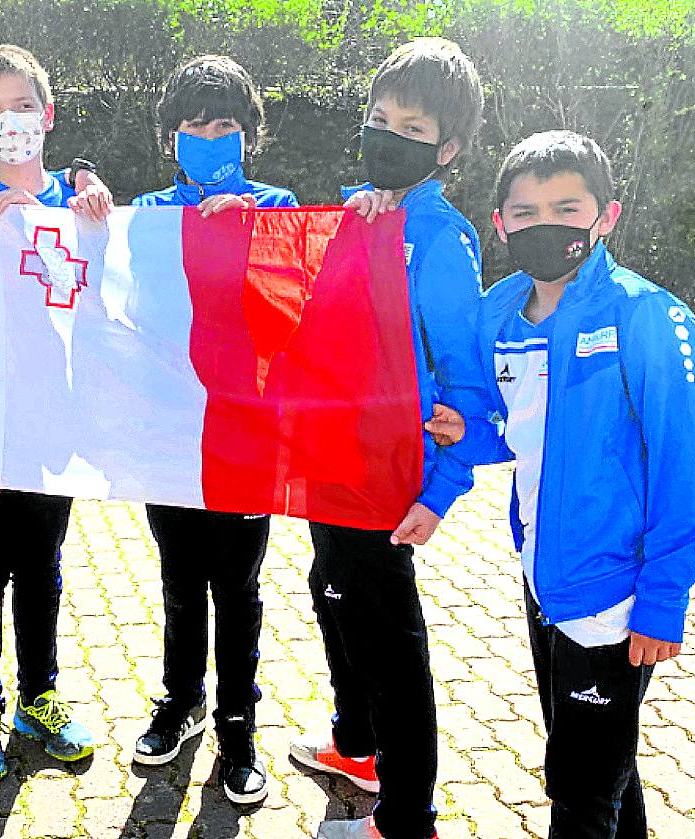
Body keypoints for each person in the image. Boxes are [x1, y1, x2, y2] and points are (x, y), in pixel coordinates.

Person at [478, 129, 695, 837]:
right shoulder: (495, 311)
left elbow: (684, 469)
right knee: (602, 766)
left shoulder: (648, 316)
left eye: (566, 206)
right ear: (500, 223)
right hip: (543, 578)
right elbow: (507, 424)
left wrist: (663, 599)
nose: (543, 224)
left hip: (615, 595)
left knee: (579, 792)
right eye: (523, 211)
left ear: (605, 215)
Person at [291, 38, 485, 839]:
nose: (385, 134)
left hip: (386, 475)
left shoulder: (440, 239)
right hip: (328, 459)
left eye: (408, 124)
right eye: (376, 117)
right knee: (329, 590)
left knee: (389, 638)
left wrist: (440, 490)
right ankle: (355, 745)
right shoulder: (358, 214)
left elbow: (467, 386)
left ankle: (407, 818)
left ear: (445, 148)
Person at [0, 43, 111, 784]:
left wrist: (83, 200)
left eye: (22, 107)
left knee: (41, 567)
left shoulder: (81, 206)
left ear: (50, 113)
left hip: (54, 421)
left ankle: (39, 695)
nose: (11, 122)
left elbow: (117, 302)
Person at [129, 54, 297, 807]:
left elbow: (301, 312)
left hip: (246, 435)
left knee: (237, 587)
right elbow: (115, 309)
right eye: (194, 124)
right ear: (171, 138)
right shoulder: (146, 213)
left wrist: (253, 233)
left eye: (224, 123)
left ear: (248, 136)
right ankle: (180, 698)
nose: (208, 135)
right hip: (170, 434)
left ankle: (237, 729)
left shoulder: (279, 205)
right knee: (177, 578)